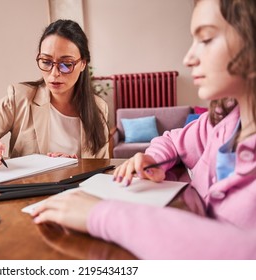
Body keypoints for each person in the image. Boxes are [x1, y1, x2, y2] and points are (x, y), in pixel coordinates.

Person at [32, 0, 256, 259]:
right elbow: (172, 140)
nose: (189, 58)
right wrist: (154, 158)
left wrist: (103, 214)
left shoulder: (97, 107)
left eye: (205, 39)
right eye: (46, 62)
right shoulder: (223, 120)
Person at [0, 19, 109, 169]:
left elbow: (102, 168)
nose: (54, 73)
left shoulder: (98, 107)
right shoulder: (20, 98)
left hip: (77, 192)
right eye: (46, 62)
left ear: (83, 63)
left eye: (66, 64)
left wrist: (74, 166)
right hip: (30, 191)